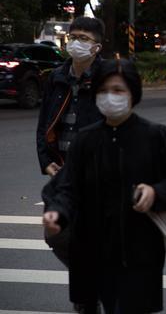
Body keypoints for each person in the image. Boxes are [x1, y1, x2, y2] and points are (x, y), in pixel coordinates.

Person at [42, 59, 166, 313]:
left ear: (133, 93)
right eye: (103, 91)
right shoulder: (85, 140)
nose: (109, 97)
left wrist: (156, 192)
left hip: (139, 253)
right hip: (90, 251)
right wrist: (57, 213)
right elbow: (66, 187)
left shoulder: (156, 136)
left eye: (118, 90)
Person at [38, 16, 105, 268]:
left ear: (96, 47)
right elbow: (44, 124)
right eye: (73, 37)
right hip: (62, 171)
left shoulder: (109, 78)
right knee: (56, 234)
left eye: (83, 38)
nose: (76, 42)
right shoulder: (57, 76)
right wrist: (46, 161)